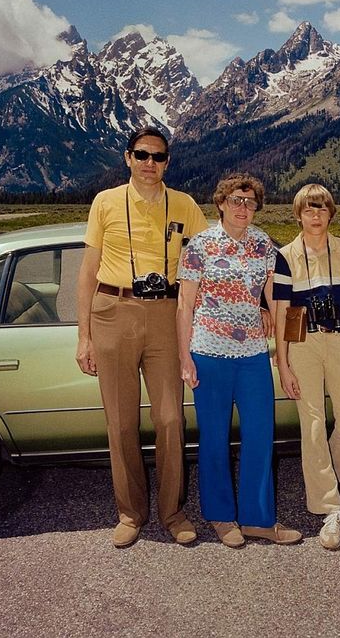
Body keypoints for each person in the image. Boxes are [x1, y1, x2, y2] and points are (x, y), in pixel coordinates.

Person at [76, 125, 208, 548]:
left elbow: (210, 259)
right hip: (113, 311)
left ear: (167, 162)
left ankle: (172, 511)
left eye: (158, 156)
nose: (150, 163)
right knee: (121, 420)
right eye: (142, 155)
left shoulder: (185, 205)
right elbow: (87, 271)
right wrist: (84, 336)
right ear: (128, 158)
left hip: (166, 314)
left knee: (170, 418)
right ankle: (130, 512)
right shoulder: (106, 202)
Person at [176, 173, 302, 548]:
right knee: (214, 438)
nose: (243, 208)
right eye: (236, 200)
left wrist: (283, 353)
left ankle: (258, 519)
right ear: (221, 204)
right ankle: (220, 516)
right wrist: (185, 356)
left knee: (260, 434)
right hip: (208, 352)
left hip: (252, 355)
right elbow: (184, 305)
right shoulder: (199, 246)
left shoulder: (263, 244)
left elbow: (277, 299)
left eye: (250, 202)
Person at [273, 184, 340, 550]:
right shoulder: (285, 256)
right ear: (297, 214)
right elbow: (284, 311)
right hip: (302, 342)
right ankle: (330, 507)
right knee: (313, 424)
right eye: (308, 210)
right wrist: (283, 364)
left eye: (321, 209)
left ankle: (324, 472)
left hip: (339, 339)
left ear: (331, 213)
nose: (315, 216)